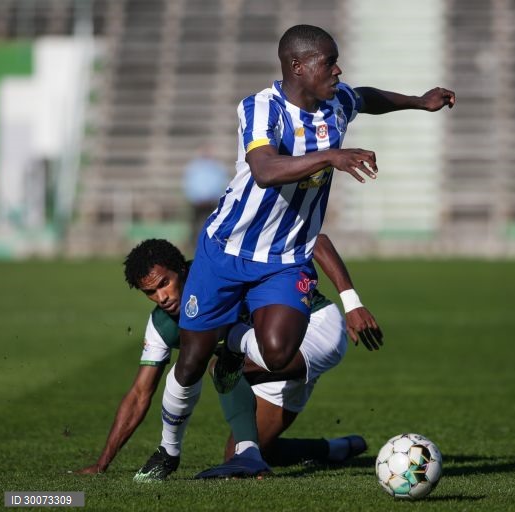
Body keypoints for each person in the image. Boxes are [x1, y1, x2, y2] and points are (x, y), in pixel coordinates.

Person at [136, 24, 455, 480]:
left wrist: (419, 102)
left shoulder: (337, 103)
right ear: (298, 66)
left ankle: (232, 347)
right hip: (226, 250)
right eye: (329, 62)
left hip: (284, 258)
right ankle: (168, 451)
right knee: (189, 362)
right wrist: (330, 157)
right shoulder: (260, 107)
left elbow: (366, 96)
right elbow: (265, 170)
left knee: (278, 352)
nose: (338, 71)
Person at [75, 237, 380, 479]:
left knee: (221, 366)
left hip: (316, 327)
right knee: (240, 451)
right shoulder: (162, 325)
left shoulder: (220, 268)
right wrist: (103, 463)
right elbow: (140, 394)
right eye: (150, 292)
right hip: (264, 358)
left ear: (182, 270)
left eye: (164, 283)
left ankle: (249, 456)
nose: (161, 297)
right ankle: (336, 449)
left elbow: (316, 240)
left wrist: (352, 304)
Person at [182, 146, 229, 248]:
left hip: (212, 201)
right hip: (197, 202)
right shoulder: (193, 167)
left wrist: (213, 197)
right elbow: (189, 184)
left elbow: (221, 183)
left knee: (214, 223)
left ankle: (213, 243)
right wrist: (196, 197)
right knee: (195, 224)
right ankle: (193, 243)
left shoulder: (217, 167)